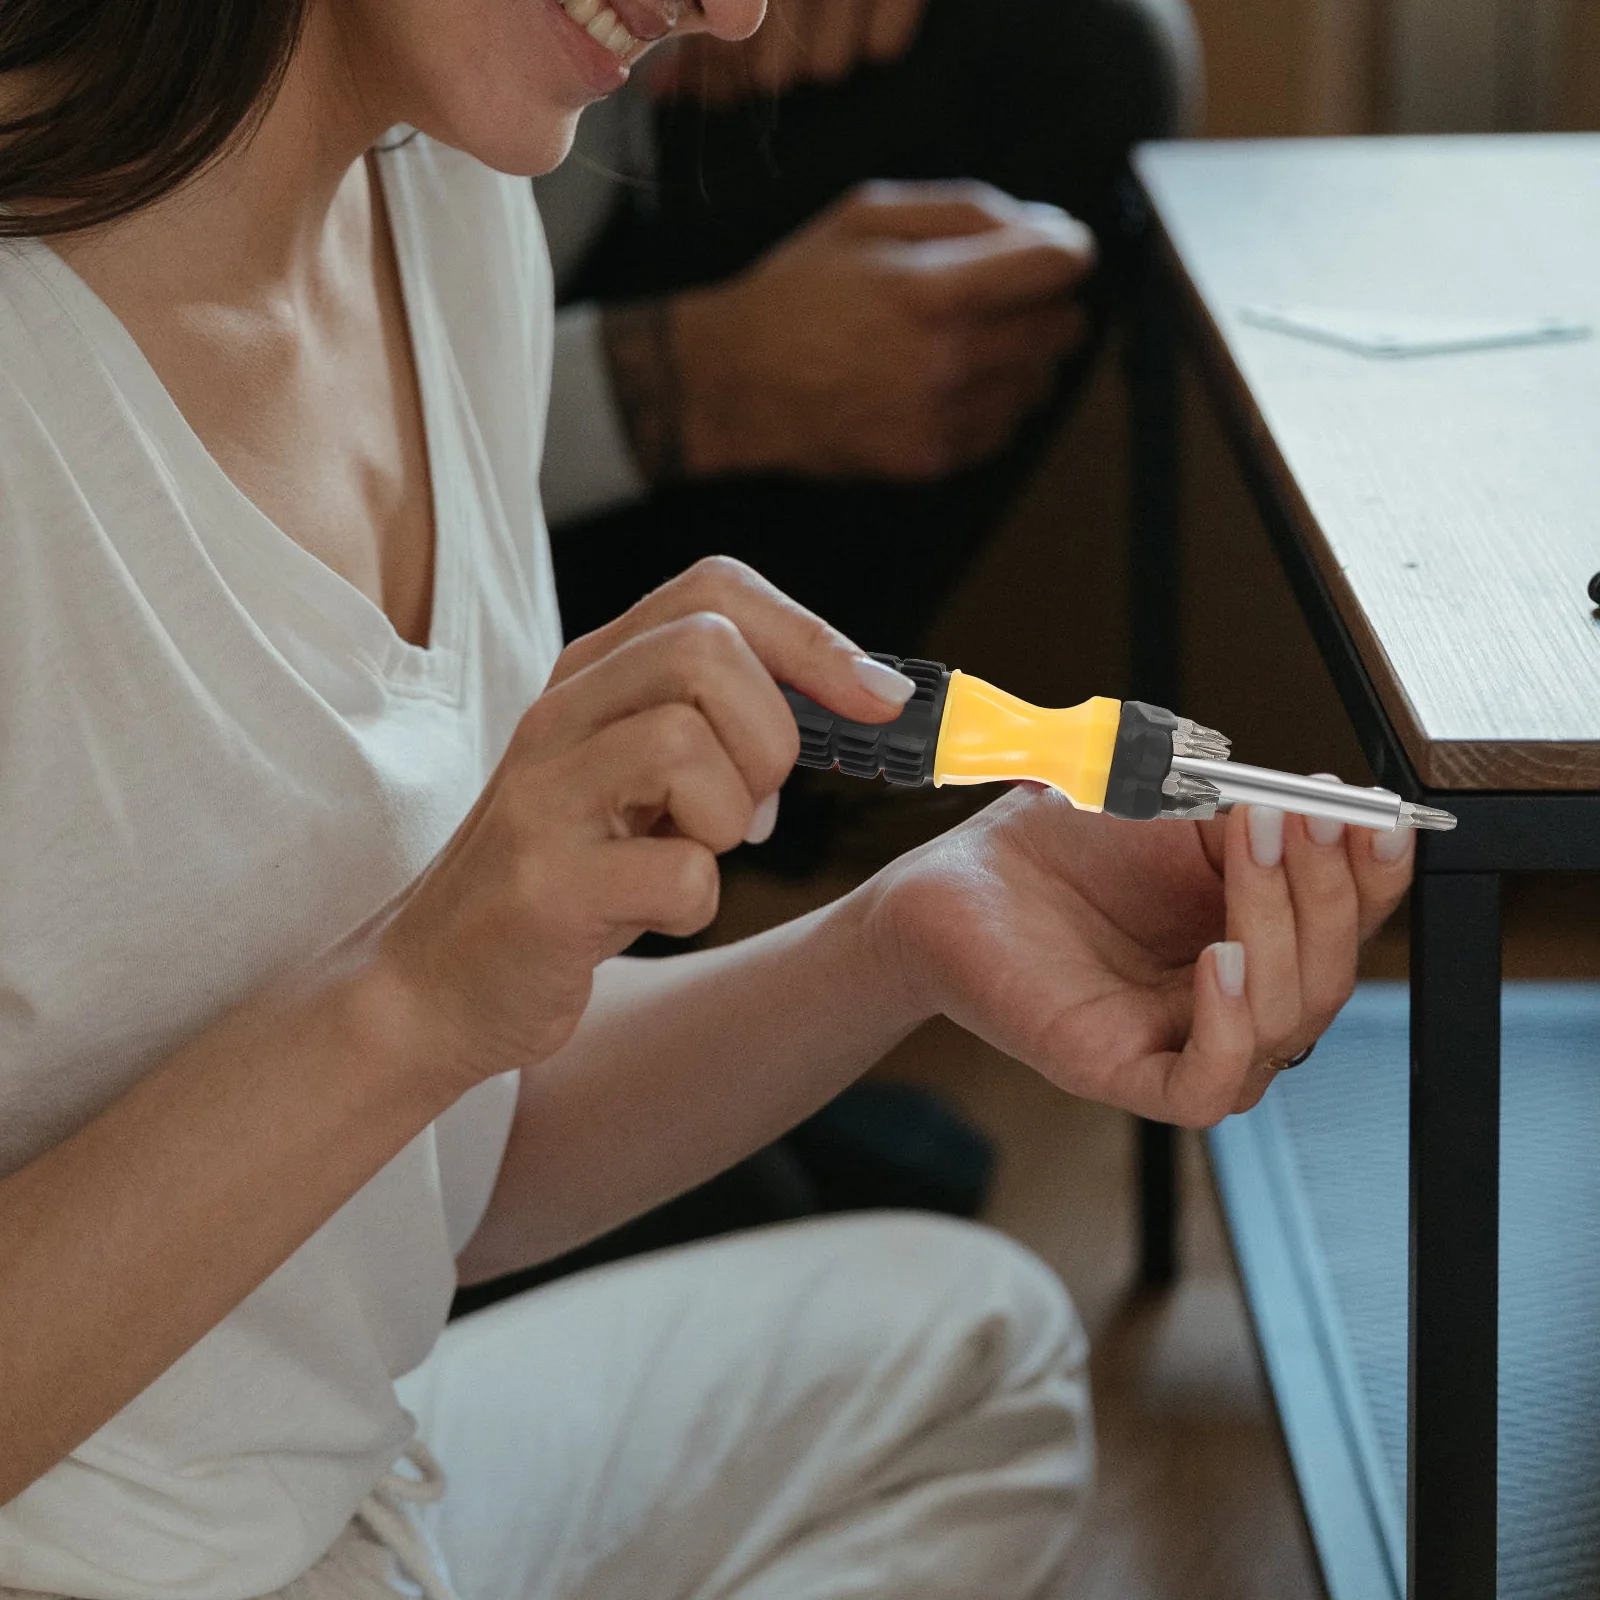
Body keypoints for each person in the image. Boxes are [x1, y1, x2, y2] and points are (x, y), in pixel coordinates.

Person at [0, 5, 1412, 1600]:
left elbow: (429, 1177)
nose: (736, 8)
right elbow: (411, 1038)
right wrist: (406, 1000)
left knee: (974, 1371)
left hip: (343, 1504)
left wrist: (913, 938)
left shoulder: (445, 215)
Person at [539, 0, 1201, 650]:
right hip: (495, 460)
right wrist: (680, 385)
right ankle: (609, 727)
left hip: (586, 208)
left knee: (1086, 49)